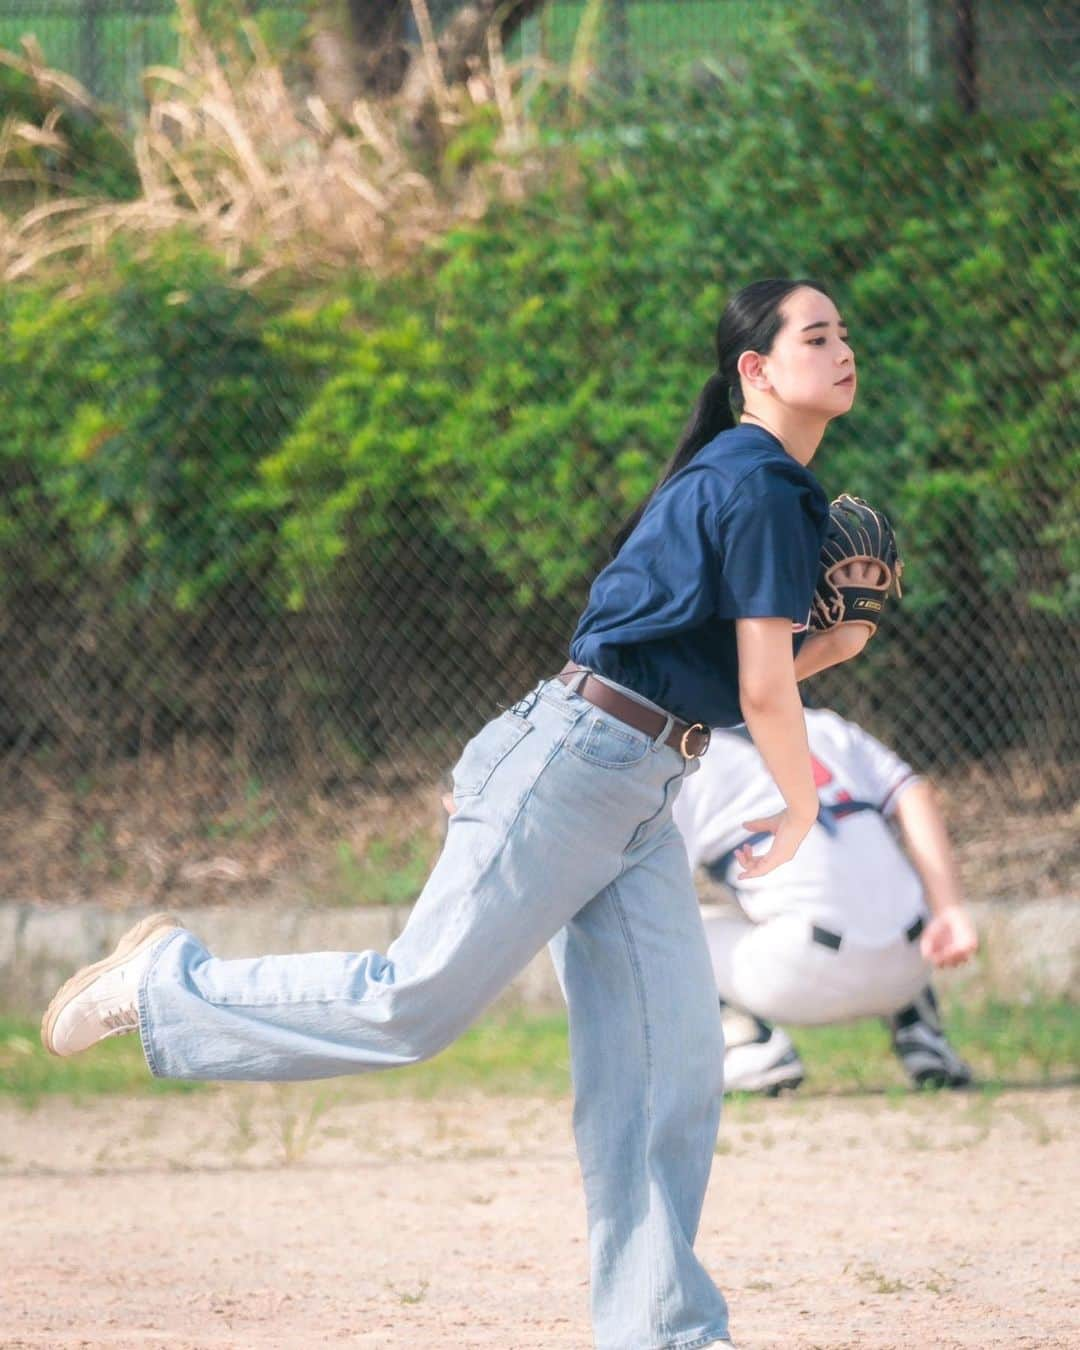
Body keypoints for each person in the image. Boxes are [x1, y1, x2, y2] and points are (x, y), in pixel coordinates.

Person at [42, 278, 872, 1350]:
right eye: (817, 335)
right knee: (412, 1004)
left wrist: (837, 647)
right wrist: (804, 808)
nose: (841, 349)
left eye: (843, 333)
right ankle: (165, 988)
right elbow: (762, 693)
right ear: (756, 372)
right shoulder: (758, 484)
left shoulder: (760, 483)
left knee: (666, 1069)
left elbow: (724, 671)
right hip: (577, 765)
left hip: (634, 784)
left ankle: (665, 1334)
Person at [673, 709, 980, 1095]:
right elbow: (913, 792)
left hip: (797, 976)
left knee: (670, 928)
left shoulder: (690, 752)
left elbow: (662, 895)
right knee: (867, 889)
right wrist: (950, 908)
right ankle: (921, 1030)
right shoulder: (825, 726)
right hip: (916, 958)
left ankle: (749, 1046)